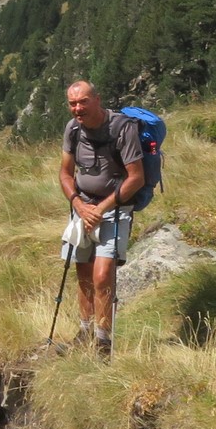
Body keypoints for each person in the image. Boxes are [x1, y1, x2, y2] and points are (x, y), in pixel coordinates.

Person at [59, 81, 149, 352]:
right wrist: (78, 204)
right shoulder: (73, 129)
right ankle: (85, 333)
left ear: (97, 99)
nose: (77, 108)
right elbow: (65, 173)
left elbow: (136, 178)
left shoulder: (123, 129)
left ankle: (103, 341)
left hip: (116, 211)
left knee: (102, 275)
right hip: (83, 209)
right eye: (73, 103)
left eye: (83, 102)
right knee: (82, 272)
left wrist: (101, 209)